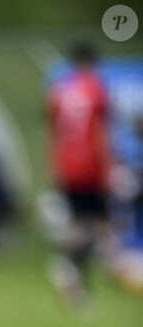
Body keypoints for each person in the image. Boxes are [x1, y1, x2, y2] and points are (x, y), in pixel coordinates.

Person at [45, 42, 112, 304]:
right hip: (92, 167)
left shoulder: (60, 90)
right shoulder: (96, 90)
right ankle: (69, 267)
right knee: (97, 225)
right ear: (93, 62)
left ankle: (75, 282)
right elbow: (100, 133)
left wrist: (54, 166)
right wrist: (108, 167)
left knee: (77, 223)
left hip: (67, 166)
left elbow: (52, 133)